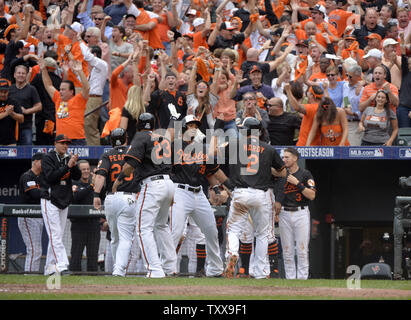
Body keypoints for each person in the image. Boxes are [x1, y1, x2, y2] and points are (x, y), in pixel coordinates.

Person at [220, 117, 287, 279]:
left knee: (233, 229)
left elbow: (216, 153)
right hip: (261, 194)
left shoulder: (234, 145)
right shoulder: (269, 149)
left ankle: (232, 254)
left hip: (240, 192)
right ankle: (261, 272)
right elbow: (283, 172)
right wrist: (266, 169)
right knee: (262, 234)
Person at [113, 113, 177, 278]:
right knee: (162, 226)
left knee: (143, 229)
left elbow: (130, 165)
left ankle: (155, 270)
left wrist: (119, 179)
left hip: (152, 184)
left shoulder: (141, 136)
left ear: (138, 124)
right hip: (169, 183)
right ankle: (170, 268)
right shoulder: (162, 137)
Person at [168, 115, 225, 277]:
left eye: (195, 125)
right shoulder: (174, 146)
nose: (193, 128)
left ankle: (215, 269)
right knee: (176, 232)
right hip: (179, 191)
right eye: (190, 125)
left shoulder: (201, 148)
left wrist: (218, 188)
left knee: (211, 231)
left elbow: (210, 173)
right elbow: (163, 167)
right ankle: (168, 268)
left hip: (198, 193)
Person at [93, 128, 141, 277]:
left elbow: (100, 175)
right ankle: (119, 270)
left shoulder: (107, 154)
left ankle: (117, 268)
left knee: (115, 238)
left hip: (111, 198)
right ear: (126, 139)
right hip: (129, 197)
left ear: (111, 141)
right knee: (126, 238)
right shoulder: (132, 151)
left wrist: (96, 194)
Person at [41, 134, 81, 276]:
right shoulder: (48, 158)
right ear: (55, 143)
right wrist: (67, 167)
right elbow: (51, 177)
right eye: (62, 143)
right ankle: (62, 265)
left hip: (63, 201)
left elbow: (76, 176)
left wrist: (73, 165)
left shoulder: (67, 158)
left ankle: (49, 268)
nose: (65, 146)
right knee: (55, 235)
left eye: (67, 143)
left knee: (57, 235)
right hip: (50, 200)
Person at [275, 147, 316, 280]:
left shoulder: (305, 174)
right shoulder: (281, 174)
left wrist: (298, 183)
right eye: (283, 157)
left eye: (287, 157)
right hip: (284, 213)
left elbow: (312, 195)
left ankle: (303, 279)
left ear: (295, 158)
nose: (284, 160)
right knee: (287, 250)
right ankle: (290, 280)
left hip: (301, 212)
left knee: (302, 249)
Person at [40, 57, 90, 145]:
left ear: (71, 91)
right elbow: (48, 85)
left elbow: (86, 88)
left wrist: (80, 71)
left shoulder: (79, 99)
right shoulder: (58, 98)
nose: (60, 91)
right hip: (61, 140)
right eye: (60, 89)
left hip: (77, 140)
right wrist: (44, 70)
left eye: (63, 89)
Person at [69, 160, 100, 272]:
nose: (86, 171)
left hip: (94, 225)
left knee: (93, 255)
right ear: (78, 171)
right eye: (83, 169)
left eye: (88, 169)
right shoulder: (74, 183)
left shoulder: (96, 185)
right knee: (76, 255)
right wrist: (92, 184)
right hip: (79, 225)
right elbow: (76, 197)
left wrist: (99, 180)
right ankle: (74, 279)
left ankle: (93, 281)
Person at [17, 152, 45, 273]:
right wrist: (48, 192)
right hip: (27, 215)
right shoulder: (27, 176)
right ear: (35, 162)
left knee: (36, 249)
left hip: (38, 215)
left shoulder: (42, 177)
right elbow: (34, 193)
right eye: (43, 161)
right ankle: (29, 275)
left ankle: (31, 274)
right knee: (34, 249)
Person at [79, 38, 108, 146]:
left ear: (94, 54)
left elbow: (87, 56)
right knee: (87, 124)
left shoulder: (102, 64)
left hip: (94, 98)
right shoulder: (93, 69)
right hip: (89, 98)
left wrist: (79, 41)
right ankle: (89, 148)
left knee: (89, 124)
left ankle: (94, 150)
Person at [31, 54, 62, 146]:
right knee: (52, 141)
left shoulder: (38, 78)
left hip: (42, 115)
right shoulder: (58, 80)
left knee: (41, 142)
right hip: (54, 115)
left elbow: (30, 89)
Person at [8, 64, 42, 145]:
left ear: (26, 75)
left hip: (26, 126)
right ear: (14, 75)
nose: (21, 75)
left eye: (23, 73)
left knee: (27, 150)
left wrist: (27, 111)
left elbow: (39, 106)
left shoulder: (31, 89)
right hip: (10, 127)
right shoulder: (9, 89)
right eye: (18, 73)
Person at [342, 64, 364, 146]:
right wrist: (347, 107)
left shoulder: (362, 90)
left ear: (357, 77)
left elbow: (364, 110)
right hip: (344, 123)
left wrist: (353, 113)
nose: (348, 78)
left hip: (355, 123)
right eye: (347, 75)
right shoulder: (345, 86)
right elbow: (346, 98)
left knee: (353, 152)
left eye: (350, 76)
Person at [0, 78, 24, 146]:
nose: (3, 94)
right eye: (1, 91)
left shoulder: (13, 102)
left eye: (5, 92)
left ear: (8, 91)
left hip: (11, 141)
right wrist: (6, 113)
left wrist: (12, 113)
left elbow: (22, 119)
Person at [398, 34, 411, 128]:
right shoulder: (406, 72)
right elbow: (403, 52)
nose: (409, 65)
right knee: (404, 135)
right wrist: (402, 39)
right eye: (409, 63)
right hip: (404, 108)